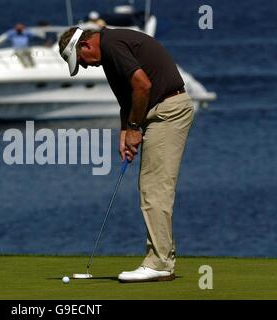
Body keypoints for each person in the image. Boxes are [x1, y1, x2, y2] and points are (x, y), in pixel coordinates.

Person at [58, 27, 194, 283]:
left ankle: (160, 263)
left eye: (81, 62)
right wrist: (125, 133)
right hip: (159, 112)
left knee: (154, 188)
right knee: (152, 187)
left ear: (86, 46)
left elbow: (143, 85)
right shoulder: (110, 52)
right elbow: (128, 98)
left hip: (168, 112)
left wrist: (134, 129)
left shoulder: (112, 45)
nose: (85, 68)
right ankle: (162, 259)